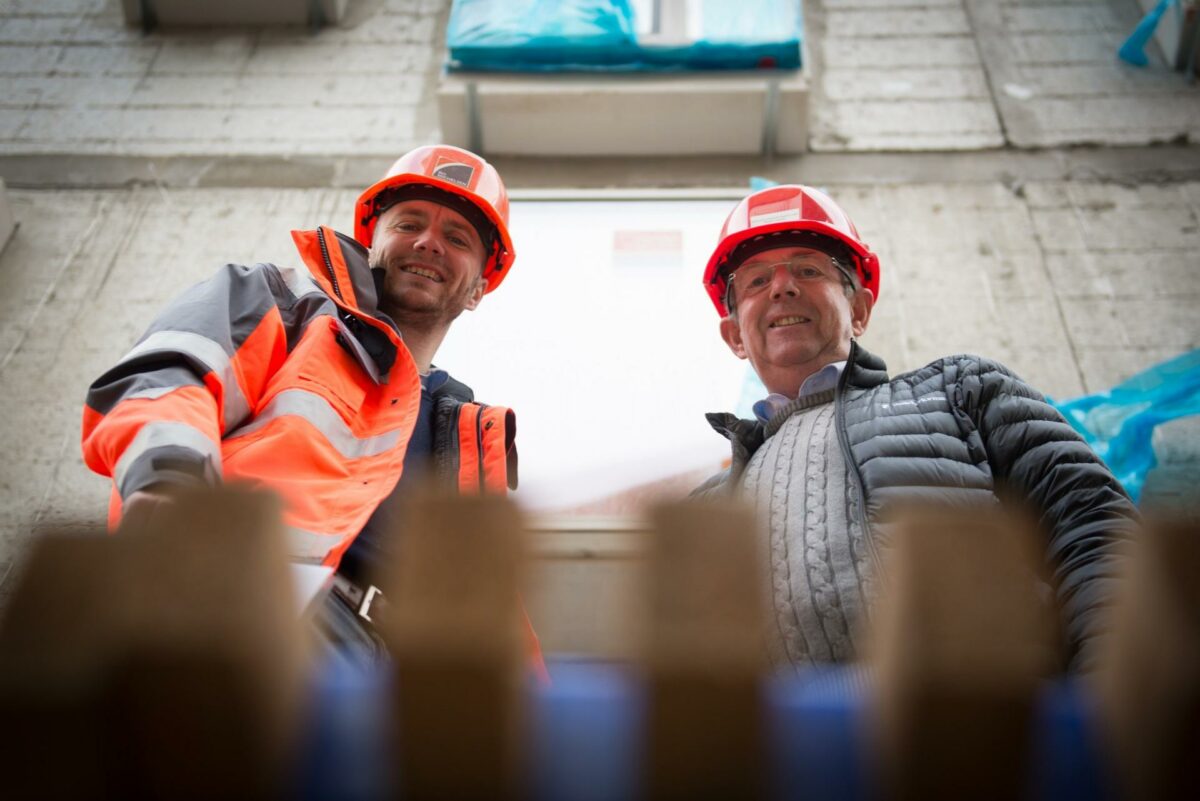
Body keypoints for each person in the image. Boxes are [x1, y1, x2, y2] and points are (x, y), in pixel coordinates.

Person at [81, 145, 541, 670]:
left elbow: (497, 609)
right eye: (408, 223)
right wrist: (169, 484)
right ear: (371, 244)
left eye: (456, 238)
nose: (428, 242)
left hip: (394, 681)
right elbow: (169, 376)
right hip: (258, 604)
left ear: (480, 287)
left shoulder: (465, 435)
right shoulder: (283, 306)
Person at [694, 184, 1137, 672]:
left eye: (808, 269)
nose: (782, 287)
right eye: (755, 281)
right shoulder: (711, 504)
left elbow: (1092, 524)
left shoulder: (961, 390)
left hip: (992, 725)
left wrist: (1105, 697)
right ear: (735, 335)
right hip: (787, 746)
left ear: (858, 310)